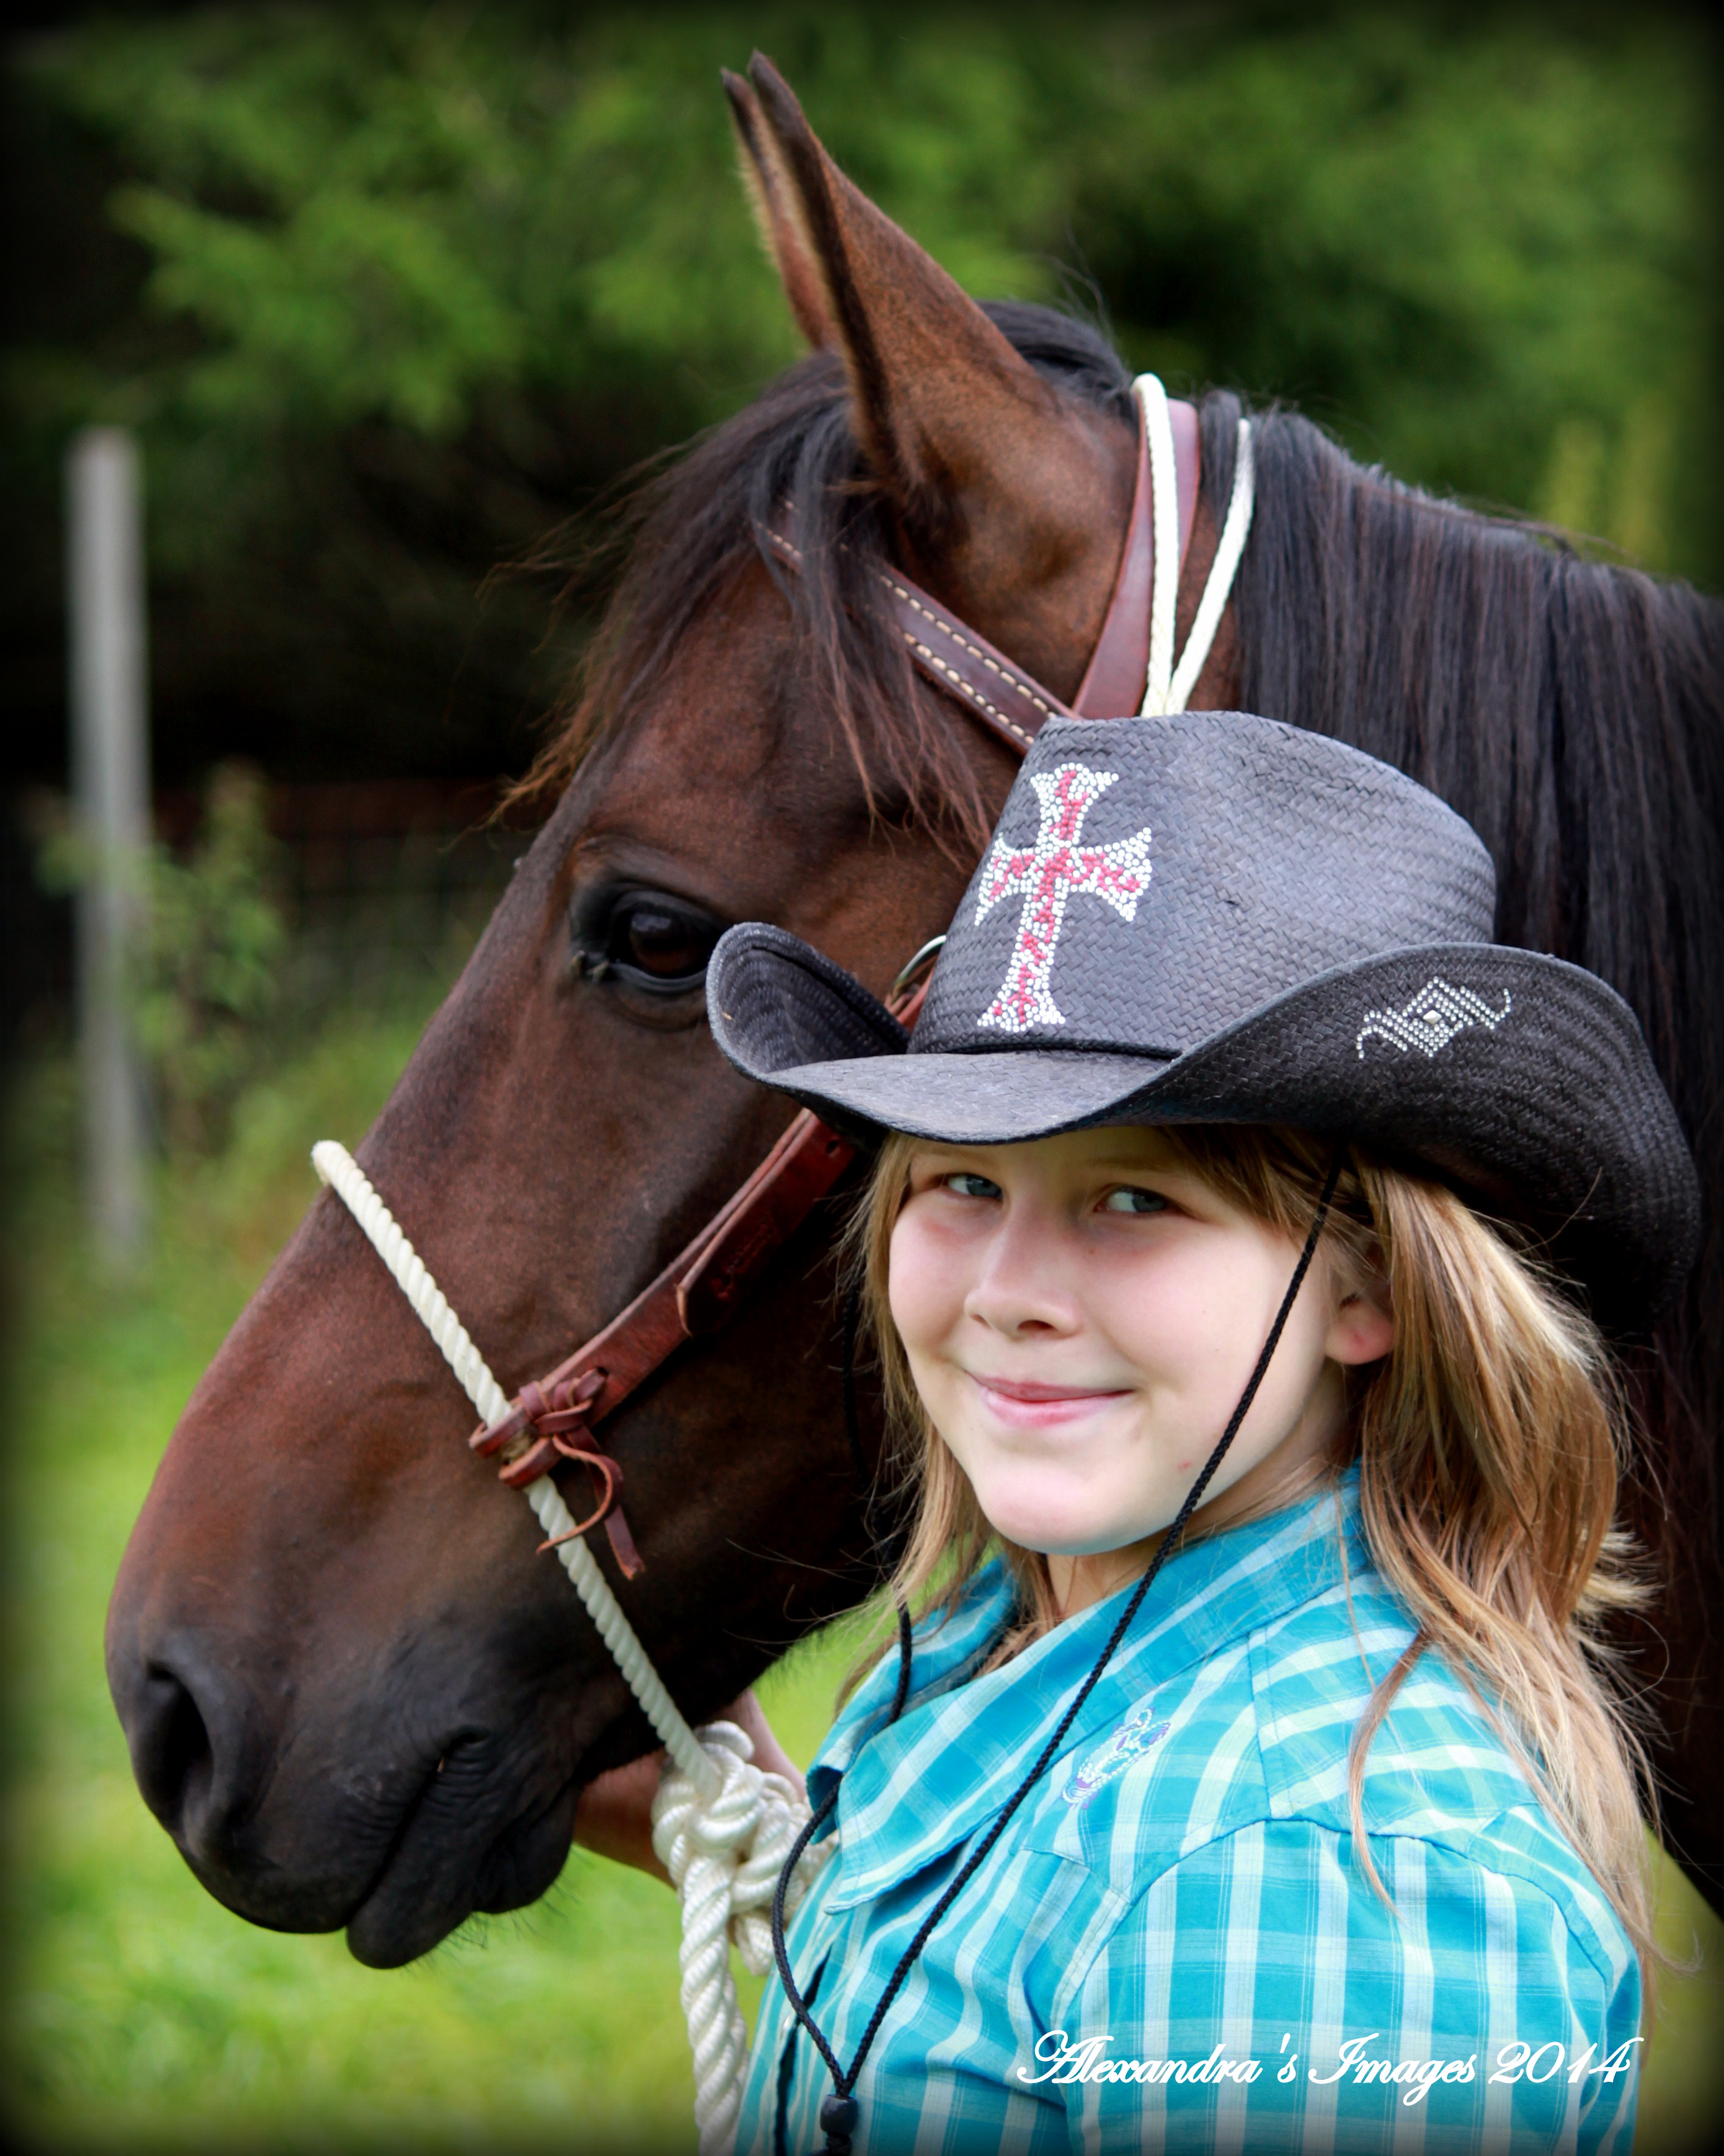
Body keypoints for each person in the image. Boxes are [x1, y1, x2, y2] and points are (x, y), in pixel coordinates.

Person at [584, 709, 1698, 2155]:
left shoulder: (1305, 1875)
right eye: (963, 1185)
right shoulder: (1012, 1651)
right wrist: (791, 1853)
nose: (1007, 1294)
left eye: (1134, 1200)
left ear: (1365, 1284)